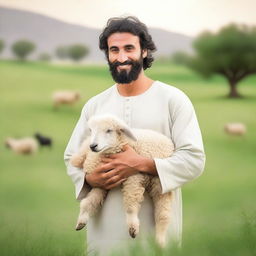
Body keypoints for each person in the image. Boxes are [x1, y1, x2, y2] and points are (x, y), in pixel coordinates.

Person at [64, 16, 205, 256]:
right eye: (114, 50)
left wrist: (141, 163)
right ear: (107, 55)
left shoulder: (173, 100)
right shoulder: (94, 106)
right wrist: (90, 179)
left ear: (144, 52)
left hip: (155, 235)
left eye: (129, 48)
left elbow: (194, 159)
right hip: (103, 235)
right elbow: (71, 158)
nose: (121, 57)